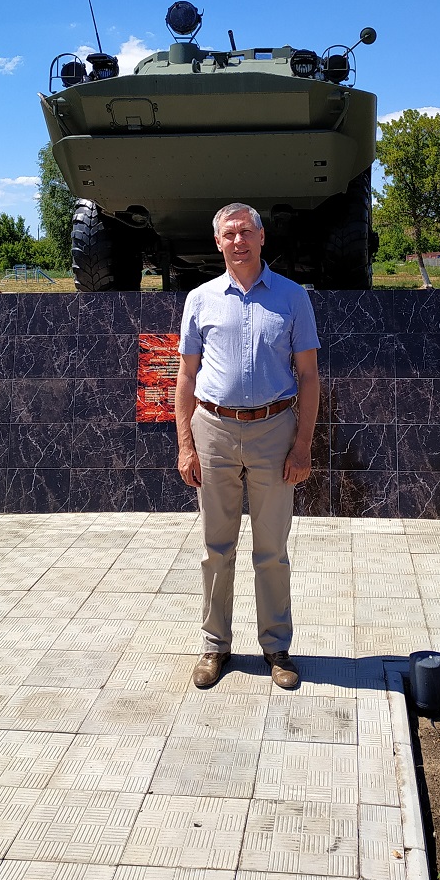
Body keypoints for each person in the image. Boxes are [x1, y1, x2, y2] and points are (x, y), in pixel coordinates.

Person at [175, 202, 320, 690]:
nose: (238, 241)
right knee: (216, 547)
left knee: (271, 549)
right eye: (228, 234)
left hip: (274, 431)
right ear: (217, 243)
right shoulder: (199, 299)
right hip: (212, 429)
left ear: (262, 238)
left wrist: (302, 446)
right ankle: (215, 645)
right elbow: (187, 377)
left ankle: (276, 647)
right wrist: (185, 446)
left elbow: (309, 375)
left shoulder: (293, 297)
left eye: (246, 232)